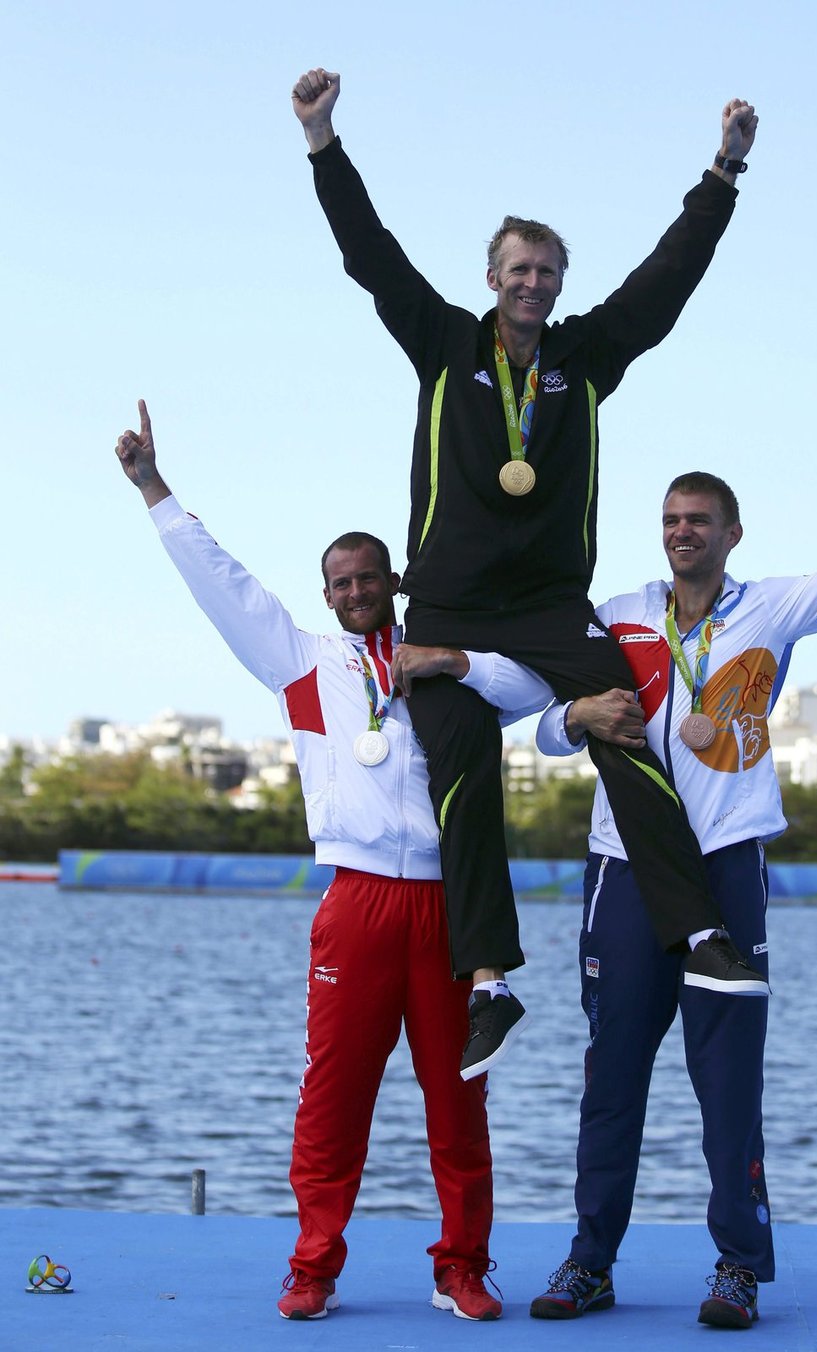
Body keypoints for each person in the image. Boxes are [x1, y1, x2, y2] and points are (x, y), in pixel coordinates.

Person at [292, 69, 766, 1080]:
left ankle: (697, 933)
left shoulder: (587, 358)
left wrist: (723, 172)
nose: (533, 285)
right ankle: (491, 982)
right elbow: (370, 256)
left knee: (624, 713)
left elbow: (666, 280)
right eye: (518, 269)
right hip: (452, 603)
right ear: (493, 274)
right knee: (455, 746)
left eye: (548, 271)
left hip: (550, 606)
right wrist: (324, 141)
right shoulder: (440, 342)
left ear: (558, 282)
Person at [528, 360, 817, 1328]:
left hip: (727, 867)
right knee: (612, 1076)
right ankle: (589, 1260)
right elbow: (541, 725)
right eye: (672, 519)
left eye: (700, 520)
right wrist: (574, 717)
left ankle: (737, 1266)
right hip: (626, 872)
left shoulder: (770, 609)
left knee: (728, 1079)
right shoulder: (617, 612)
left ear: (732, 534)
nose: (683, 531)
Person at [114, 401, 552, 1323]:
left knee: (457, 1097)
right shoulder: (302, 663)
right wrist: (156, 488)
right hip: (354, 902)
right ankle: (313, 1265)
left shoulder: (439, 654)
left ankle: (462, 1266)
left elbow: (531, 685)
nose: (355, 591)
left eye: (367, 577)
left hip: (444, 909)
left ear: (392, 579)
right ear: (326, 596)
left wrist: (452, 663)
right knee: (333, 1095)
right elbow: (222, 583)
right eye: (339, 582)